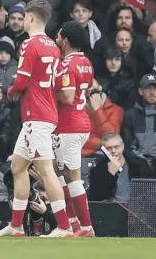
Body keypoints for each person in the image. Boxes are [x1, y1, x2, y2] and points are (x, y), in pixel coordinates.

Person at [0, 0, 73, 238]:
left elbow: (20, 81)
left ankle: (65, 226)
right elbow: (58, 82)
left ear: (29, 18)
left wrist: (10, 92)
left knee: (46, 170)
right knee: (18, 167)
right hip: (44, 114)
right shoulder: (53, 46)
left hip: (36, 115)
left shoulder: (29, 45)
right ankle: (16, 227)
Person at [54, 21, 95, 237]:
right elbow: (85, 92)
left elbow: (68, 97)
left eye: (59, 36)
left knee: (73, 177)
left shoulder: (66, 64)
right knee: (58, 172)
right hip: (81, 121)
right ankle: (72, 223)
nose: (56, 39)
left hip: (69, 125)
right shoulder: (86, 62)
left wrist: (49, 94)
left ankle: (86, 227)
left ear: (66, 41)